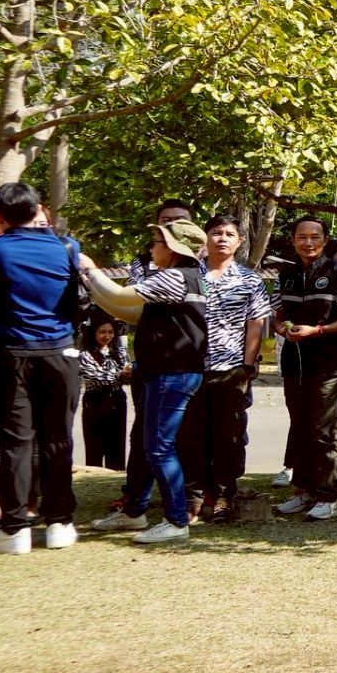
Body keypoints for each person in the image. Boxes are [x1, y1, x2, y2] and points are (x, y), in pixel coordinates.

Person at [0, 184, 83, 553]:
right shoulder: (69, 246)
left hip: (12, 354)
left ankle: (15, 529)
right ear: (38, 208)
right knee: (58, 439)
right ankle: (59, 523)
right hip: (61, 352)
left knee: (16, 442)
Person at [80, 216, 210, 545]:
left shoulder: (175, 276)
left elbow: (122, 294)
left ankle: (176, 520)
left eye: (157, 241)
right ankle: (134, 511)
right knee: (147, 444)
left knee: (159, 448)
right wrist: (90, 283)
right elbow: (131, 312)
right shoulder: (186, 277)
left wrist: (90, 270)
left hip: (172, 373)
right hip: (164, 372)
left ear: (174, 248)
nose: (151, 247)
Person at [177, 213, 270, 522]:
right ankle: (193, 496)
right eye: (216, 232)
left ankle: (223, 495)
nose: (222, 239)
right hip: (190, 367)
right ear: (206, 237)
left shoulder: (250, 280)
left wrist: (247, 365)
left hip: (230, 370)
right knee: (190, 435)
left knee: (228, 436)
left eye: (229, 234)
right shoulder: (187, 276)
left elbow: (255, 323)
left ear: (239, 241)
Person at [270, 215, 337, 521]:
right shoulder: (285, 275)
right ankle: (303, 491)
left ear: (325, 240)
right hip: (294, 362)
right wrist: (282, 328)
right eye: (302, 237)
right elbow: (277, 317)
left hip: (328, 363)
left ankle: (327, 496)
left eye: (315, 237)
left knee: (323, 430)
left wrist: (317, 331)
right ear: (293, 240)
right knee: (300, 425)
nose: (308, 243)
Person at [125, 199, 193, 473]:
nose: (172, 227)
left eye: (180, 221)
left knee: (176, 438)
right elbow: (131, 305)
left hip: (184, 364)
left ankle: (186, 492)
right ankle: (136, 494)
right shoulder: (143, 261)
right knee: (144, 432)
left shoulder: (196, 267)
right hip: (149, 361)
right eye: (166, 221)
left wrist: (90, 274)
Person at [78, 320, 128, 471]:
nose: (107, 336)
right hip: (95, 401)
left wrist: (124, 375)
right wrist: (121, 375)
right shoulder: (84, 355)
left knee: (117, 447)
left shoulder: (120, 352)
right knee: (94, 448)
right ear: (94, 333)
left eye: (110, 332)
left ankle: (116, 479)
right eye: (102, 332)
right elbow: (98, 378)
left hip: (117, 400)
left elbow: (128, 376)